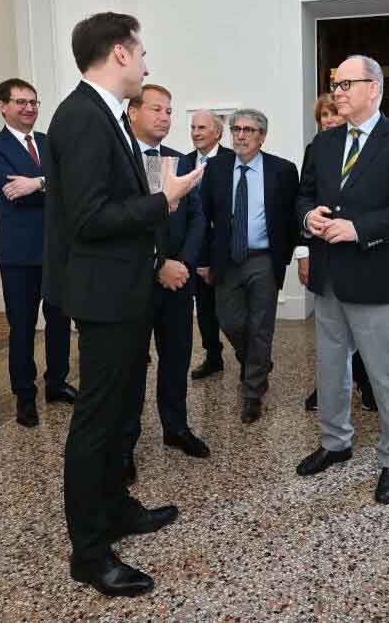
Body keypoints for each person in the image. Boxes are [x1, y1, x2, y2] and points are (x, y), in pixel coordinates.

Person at [43, 12, 204, 597]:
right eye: (140, 54)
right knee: (96, 421)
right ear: (117, 54)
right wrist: (164, 199)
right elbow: (89, 218)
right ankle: (89, 552)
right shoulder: (83, 118)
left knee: (119, 412)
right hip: (104, 295)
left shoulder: (102, 116)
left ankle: (115, 508)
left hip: (123, 290)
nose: (146, 64)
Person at [295, 55, 389, 505]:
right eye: (334, 84)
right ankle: (336, 443)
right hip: (329, 277)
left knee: (385, 374)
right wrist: (308, 216)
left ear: (373, 87)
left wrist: (360, 229)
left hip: (375, 276)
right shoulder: (324, 143)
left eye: (346, 83)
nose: (337, 91)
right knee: (331, 369)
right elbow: (304, 195)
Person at [120, 84, 210, 484]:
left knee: (176, 358)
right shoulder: (119, 163)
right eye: (157, 109)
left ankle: (176, 428)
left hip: (179, 282)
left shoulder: (178, 161)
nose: (165, 117)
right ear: (133, 112)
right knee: (132, 366)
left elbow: (195, 218)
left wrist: (183, 264)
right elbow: (121, 225)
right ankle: (125, 444)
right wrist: (158, 265)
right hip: (135, 283)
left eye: (170, 111)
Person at [0, 78, 75, 428]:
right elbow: (10, 190)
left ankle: (57, 382)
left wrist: (38, 182)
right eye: (21, 102)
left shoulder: (50, 143)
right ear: (2, 105)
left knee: (60, 321)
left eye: (34, 102)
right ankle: (24, 396)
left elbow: (71, 183)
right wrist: (49, 183)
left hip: (57, 248)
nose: (29, 108)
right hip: (18, 252)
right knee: (22, 327)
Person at [200, 109, 299, 424]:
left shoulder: (282, 171)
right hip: (226, 260)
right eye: (236, 129)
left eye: (248, 130)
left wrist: (287, 255)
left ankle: (253, 392)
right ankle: (257, 362)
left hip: (263, 259)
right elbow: (202, 218)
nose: (240, 135)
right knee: (230, 321)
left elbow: (291, 217)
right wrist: (202, 260)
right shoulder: (214, 168)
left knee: (261, 327)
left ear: (262, 136)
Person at [300, 93, 375, 413]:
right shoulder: (315, 150)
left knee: (364, 333)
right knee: (331, 338)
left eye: (333, 114)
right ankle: (328, 388)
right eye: (323, 117)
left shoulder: (368, 151)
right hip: (324, 253)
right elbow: (303, 197)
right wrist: (305, 249)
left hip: (362, 253)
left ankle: (367, 384)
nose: (328, 121)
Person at [188, 110, 235, 380]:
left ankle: (248, 359)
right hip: (195, 251)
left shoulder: (232, 160)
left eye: (202, 127)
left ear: (217, 132)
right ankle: (213, 356)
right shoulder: (183, 162)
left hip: (227, 251)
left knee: (230, 311)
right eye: (193, 127)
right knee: (204, 310)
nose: (195, 132)